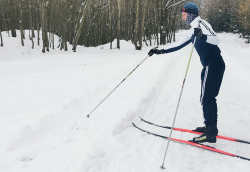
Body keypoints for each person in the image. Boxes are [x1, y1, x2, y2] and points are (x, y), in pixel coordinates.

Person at [148, 2, 225, 143]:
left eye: (184, 15)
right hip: (210, 66)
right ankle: (212, 128)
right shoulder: (191, 31)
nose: (183, 18)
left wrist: (203, 36)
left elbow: (217, 40)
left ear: (190, 15)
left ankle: (210, 133)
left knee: (205, 97)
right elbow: (178, 45)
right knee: (209, 97)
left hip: (213, 65)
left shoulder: (202, 24)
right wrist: (160, 51)